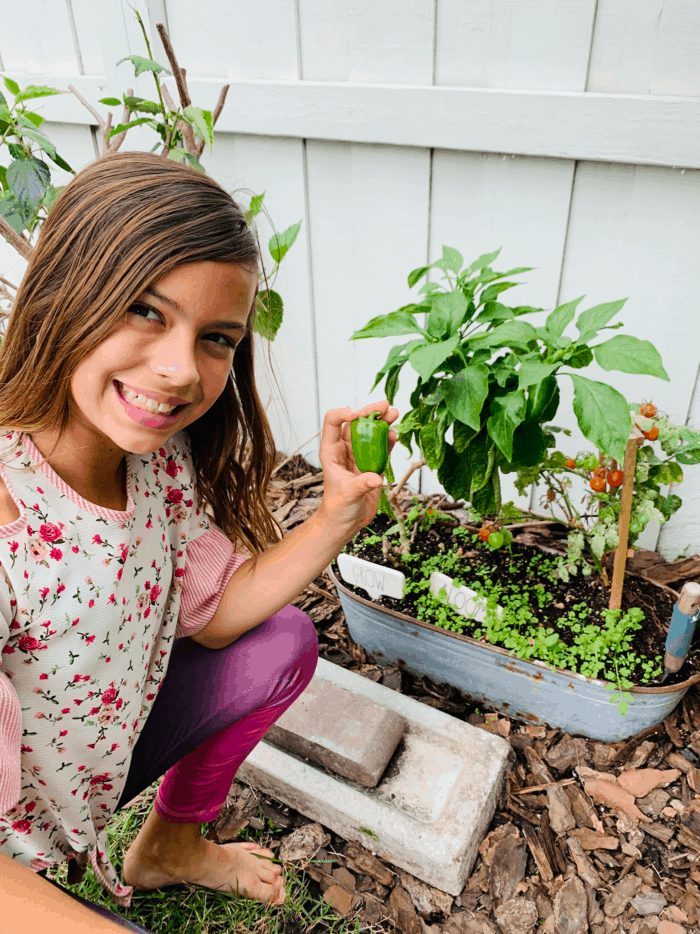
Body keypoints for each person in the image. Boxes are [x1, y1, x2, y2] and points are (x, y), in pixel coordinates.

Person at [0, 151, 398, 932]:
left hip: (86, 777)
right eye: (146, 310)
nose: (182, 368)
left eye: (216, 337)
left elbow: (215, 617)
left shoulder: (154, 465)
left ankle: (170, 848)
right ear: (62, 295)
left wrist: (337, 517)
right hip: (17, 849)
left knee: (279, 639)